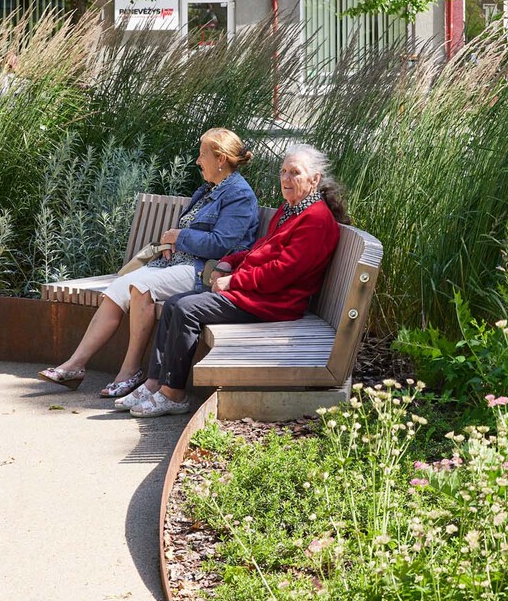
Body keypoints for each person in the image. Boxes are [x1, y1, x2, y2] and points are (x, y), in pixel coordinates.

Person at [118, 145, 347, 418]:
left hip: (273, 302)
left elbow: (283, 272)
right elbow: (262, 248)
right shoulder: (292, 210)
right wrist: (231, 261)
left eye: (294, 173)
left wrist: (234, 281)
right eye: (283, 171)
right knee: (174, 304)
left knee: (186, 309)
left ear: (315, 179)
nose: (286, 179)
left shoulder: (316, 220)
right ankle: (155, 383)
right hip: (257, 293)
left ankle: (173, 394)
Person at [38, 128, 260, 396]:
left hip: (204, 272)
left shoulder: (239, 195)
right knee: (118, 288)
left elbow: (222, 244)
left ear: (221, 159)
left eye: (203, 155)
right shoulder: (208, 191)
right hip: (178, 264)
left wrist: (180, 237)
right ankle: (76, 365)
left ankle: (130, 371)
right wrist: (172, 243)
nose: (198, 161)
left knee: (141, 288)